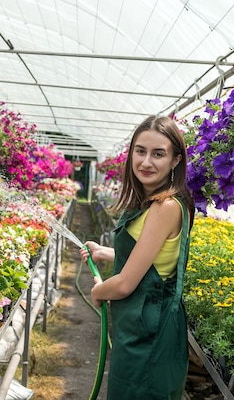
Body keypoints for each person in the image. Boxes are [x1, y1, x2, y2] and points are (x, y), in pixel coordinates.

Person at [80, 115, 194, 400]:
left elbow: (124, 284)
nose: (146, 162)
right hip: (140, 324)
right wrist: (104, 253)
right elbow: (150, 257)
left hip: (149, 331)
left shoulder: (165, 206)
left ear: (176, 161)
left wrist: (98, 291)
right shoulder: (152, 202)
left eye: (158, 154)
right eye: (140, 151)